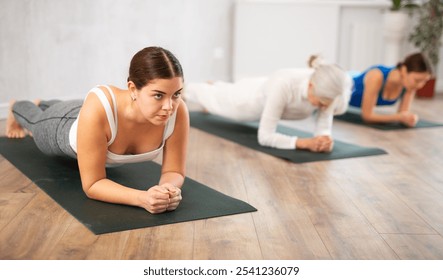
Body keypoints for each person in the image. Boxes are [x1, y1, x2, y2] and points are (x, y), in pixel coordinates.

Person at [5, 46, 189, 214]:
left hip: (88, 118)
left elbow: (175, 171)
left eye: (176, 94)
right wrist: (143, 198)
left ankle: (45, 103)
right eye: (158, 95)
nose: (169, 107)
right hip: (64, 124)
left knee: (67, 108)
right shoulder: (100, 107)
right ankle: (18, 107)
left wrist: (167, 190)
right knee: (36, 123)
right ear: (133, 89)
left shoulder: (177, 110)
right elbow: (92, 184)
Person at [185, 55, 353, 152]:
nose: (325, 108)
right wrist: (304, 143)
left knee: (220, 93)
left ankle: (215, 86)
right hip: (247, 101)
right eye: (322, 103)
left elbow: (324, 123)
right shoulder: (285, 84)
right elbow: (265, 137)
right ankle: (185, 89)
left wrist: (324, 137)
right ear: (311, 86)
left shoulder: (329, 87)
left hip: (264, 86)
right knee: (212, 98)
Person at [348, 52, 432, 127]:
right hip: (346, 83)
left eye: (424, 81)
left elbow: (403, 114)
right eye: (417, 80)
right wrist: (399, 117)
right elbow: (367, 116)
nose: (420, 85)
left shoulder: (409, 85)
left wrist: (409, 119)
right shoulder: (376, 76)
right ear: (404, 70)